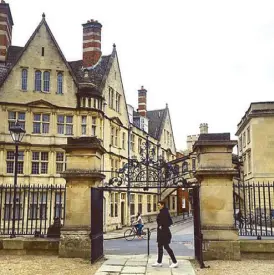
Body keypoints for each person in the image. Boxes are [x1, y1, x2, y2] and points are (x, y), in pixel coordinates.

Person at [152, 200, 178, 268]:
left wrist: (162, 226)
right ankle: (159, 262)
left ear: (162, 205)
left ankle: (175, 262)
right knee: (160, 247)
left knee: (166, 247)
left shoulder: (164, 212)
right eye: (157, 205)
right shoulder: (162, 212)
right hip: (161, 233)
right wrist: (161, 225)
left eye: (159, 205)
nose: (157, 206)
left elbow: (169, 222)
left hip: (165, 233)